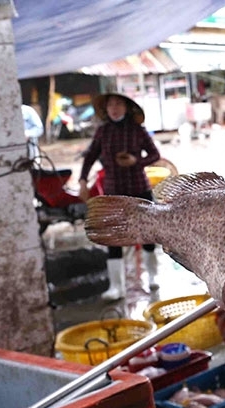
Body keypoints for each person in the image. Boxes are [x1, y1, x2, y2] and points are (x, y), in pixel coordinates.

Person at [78, 93, 162, 300]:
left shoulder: (138, 130)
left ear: (127, 107)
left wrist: (136, 161)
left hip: (139, 187)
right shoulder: (102, 132)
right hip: (113, 190)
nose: (114, 108)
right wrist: (82, 181)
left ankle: (152, 277)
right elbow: (89, 157)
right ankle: (116, 286)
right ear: (106, 109)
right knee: (112, 237)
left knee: (148, 233)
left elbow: (155, 155)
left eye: (118, 104)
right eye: (110, 105)